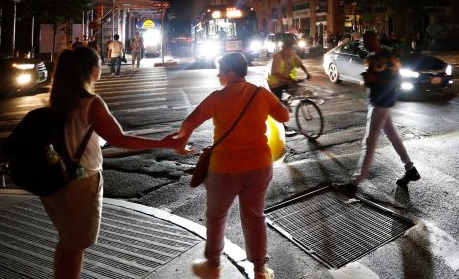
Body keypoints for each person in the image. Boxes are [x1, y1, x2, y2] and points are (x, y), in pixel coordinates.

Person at [42, 47, 186, 279]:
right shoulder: (91, 103)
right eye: (100, 63)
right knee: (75, 246)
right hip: (81, 181)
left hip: (54, 180)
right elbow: (120, 139)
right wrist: (165, 143)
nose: (102, 67)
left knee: (67, 241)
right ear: (91, 70)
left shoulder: (58, 99)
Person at [173, 52, 289, 279]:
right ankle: (259, 271)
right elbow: (284, 116)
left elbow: (190, 122)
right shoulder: (260, 94)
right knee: (255, 217)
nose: (218, 75)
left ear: (231, 73)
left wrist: (181, 143)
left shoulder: (217, 98)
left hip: (225, 169)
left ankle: (213, 265)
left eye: (221, 71)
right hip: (259, 166)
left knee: (216, 216)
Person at [335, 31, 420, 195]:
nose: (365, 45)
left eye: (367, 41)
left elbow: (396, 80)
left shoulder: (387, 57)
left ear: (375, 40)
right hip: (377, 101)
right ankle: (410, 169)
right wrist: (368, 79)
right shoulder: (371, 57)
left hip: (382, 101)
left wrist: (375, 80)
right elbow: (370, 78)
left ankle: (355, 182)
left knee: (370, 141)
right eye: (364, 42)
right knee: (392, 136)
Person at [266, 38, 311, 137]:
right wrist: (286, 79)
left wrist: (307, 73)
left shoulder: (292, 56)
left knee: (295, 90)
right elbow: (274, 72)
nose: (289, 51)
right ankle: (282, 125)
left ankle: (286, 103)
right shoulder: (277, 57)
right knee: (278, 104)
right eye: (287, 49)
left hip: (286, 80)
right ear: (283, 49)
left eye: (290, 49)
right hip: (274, 83)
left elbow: (300, 64)